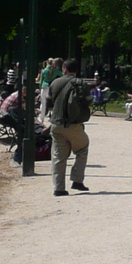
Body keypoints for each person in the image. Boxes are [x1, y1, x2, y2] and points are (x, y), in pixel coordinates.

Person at [43, 58, 92, 196]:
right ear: (77, 70)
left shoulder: (55, 82)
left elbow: (48, 102)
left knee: (58, 156)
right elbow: (89, 101)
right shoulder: (81, 83)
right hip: (74, 124)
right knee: (82, 149)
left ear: (64, 69)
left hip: (57, 124)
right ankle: (77, 180)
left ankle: (58, 188)